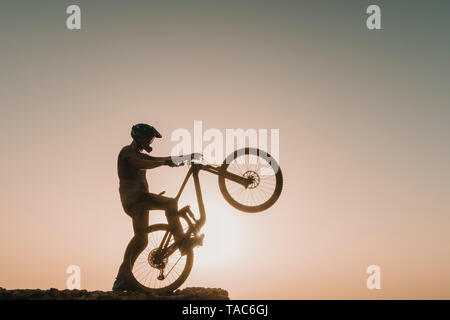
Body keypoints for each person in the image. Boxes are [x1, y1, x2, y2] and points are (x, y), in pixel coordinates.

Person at [112, 123, 200, 291]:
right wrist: (164, 163)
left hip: (138, 202)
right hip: (135, 199)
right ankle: (182, 243)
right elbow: (139, 164)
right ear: (139, 137)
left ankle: (122, 280)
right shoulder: (127, 152)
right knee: (170, 203)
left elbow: (158, 159)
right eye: (149, 138)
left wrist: (184, 158)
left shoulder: (139, 154)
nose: (150, 142)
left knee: (141, 240)